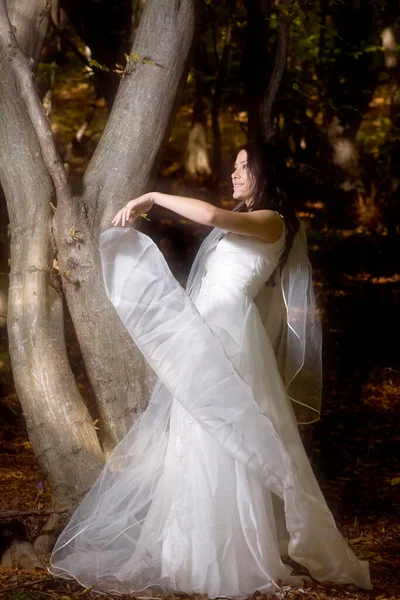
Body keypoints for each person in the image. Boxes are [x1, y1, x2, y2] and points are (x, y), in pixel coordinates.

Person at [48, 143, 372, 597]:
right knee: (195, 433)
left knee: (228, 434)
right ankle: (187, 550)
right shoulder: (243, 224)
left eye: (245, 167)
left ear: (265, 174)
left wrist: (154, 197)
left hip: (232, 340)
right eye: (235, 166)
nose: (235, 174)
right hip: (206, 333)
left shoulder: (271, 221)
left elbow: (212, 215)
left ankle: (228, 556)